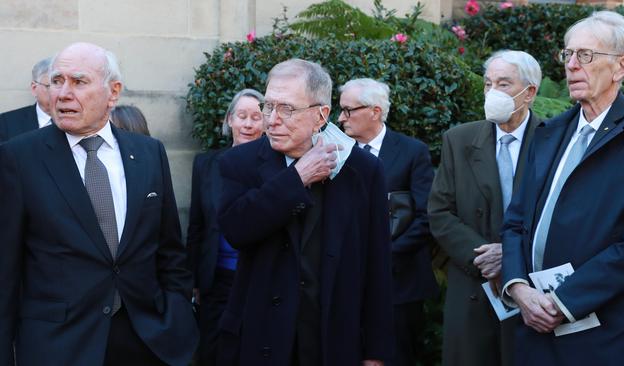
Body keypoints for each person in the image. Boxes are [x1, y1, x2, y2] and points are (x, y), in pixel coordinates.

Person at [0, 42, 198, 366]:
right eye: (56, 81)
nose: (63, 93)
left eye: (79, 82)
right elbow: (5, 273)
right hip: (59, 348)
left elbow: (169, 251)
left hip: (147, 341)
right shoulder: (18, 157)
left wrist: (175, 318)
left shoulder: (149, 153)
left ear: (113, 92)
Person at [215, 58, 393, 366]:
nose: (272, 119)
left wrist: (375, 351)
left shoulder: (362, 170)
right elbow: (236, 229)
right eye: (268, 106)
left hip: (333, 337)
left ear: (321, 114)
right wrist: (297, 178)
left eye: (287, 109)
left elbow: (377, 263)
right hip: (262, 338)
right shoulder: (238, 163)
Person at [500, 11, 624, 365]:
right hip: (533, 326)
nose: (571, 65)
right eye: (568, 54)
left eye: (586, 55)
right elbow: (516, 220)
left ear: (621, 66)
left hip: (605, 335)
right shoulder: (549, 134)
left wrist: (564, 300)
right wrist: (518, 286)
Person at [428, 50, 542, 366]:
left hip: (532, 290)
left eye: (504, 84)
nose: (492, 92)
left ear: (529, 92)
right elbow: (439, 212)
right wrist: (485, 256)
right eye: (488, 83)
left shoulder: (552, 141)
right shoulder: (459, 140)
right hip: (473, 284)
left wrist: (511, 256)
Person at [338, 78, 437, 366]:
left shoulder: (412, 151)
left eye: (348, 110)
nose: (340, 117)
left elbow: (425, 217)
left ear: (375, 111)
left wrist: (383, 256)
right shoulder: (334, 151)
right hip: (347, 282)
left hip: (400, 283)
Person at [186, 88, 265, 366]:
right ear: (229, 120)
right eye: (241, 116)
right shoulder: (206, 164)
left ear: (266, 123)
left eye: (256, 117)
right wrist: (194, 280)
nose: (248, 124)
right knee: (213, 352)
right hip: (216, 279)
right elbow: (197, 225)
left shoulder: (276, 166)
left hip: (258, 278)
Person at [0, 57, 53, 143]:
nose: (61, 93)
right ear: (34, 88)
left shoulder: (80, 122)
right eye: (51, 86)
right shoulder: (6, 123)